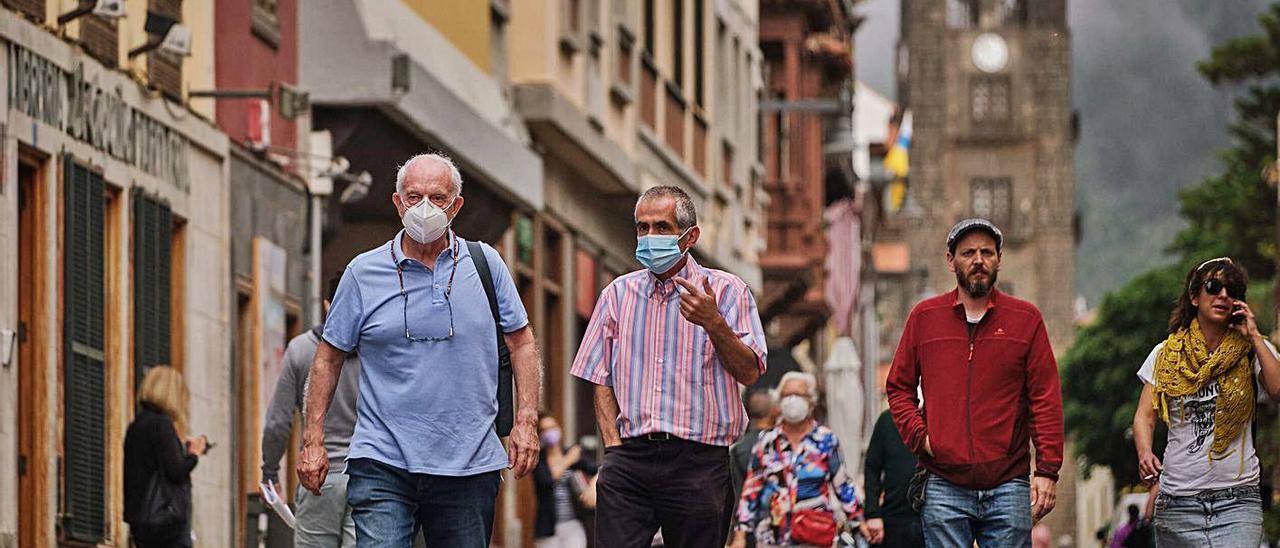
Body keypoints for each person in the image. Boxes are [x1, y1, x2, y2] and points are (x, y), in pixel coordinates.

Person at [298, 153, 543, 547]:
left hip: (469, 464)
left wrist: (526, 421)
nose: (424, 207)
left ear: (456, 206)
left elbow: (522, 342)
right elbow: (329, 355)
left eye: (438, 197)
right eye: (413, 197)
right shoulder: (363, 272)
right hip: (382, 461)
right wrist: (313, 440)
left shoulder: (487, 265)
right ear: (397, 204)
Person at [570, 185, 768, 548]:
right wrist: (613, 451)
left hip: (698, 463)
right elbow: (599, 377)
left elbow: (750, 371)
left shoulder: (728, 292)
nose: (649, 237)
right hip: (630, 458)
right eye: (642, 228)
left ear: (689, 236)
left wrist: (714, 323)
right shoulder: (616, 294)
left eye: (661, 228)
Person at [885, 218, 1064, 547]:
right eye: (968, 253)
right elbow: (898, 387)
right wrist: (922, 437)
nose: (978, 260)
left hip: (1008, 481)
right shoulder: (925, 318)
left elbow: (1045, 398)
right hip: (943, 481)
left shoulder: (1026, 319)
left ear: (999, 259)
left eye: (987, 252)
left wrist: (1047, 470)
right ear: (951, 260)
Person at [1131, 257, 1280, 547]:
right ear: (1194, 296)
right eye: (1214, 287)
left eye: (1232, 289)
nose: (1223, 295)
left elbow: (1277, 390)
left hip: (1238, 500)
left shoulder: (1252, 351)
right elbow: (1144, 416)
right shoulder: (1166, 354)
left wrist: (1255, 335)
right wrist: (1144, 452)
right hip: (1178, 504)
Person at [260, 277, 361, 547]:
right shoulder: (375, 352)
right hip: (366, 477)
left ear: (327, 305)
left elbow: (277, 423)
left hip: (317, 478)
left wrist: (269, 472)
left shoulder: (302, 349)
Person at [731, 372, 862, 547]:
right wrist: (740, 535)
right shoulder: (766, 441)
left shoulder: (826, 440)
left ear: (811, 401)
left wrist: (859, 522)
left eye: (799, 395)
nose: (793, 400)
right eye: (787, 395)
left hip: (815, 535)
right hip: (772, 537)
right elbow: (751, 490)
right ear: (778, 401)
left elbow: (843, 486)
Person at [124, 366, 207, 548]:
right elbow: (175, 470)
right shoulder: (162, 424)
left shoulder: (136, 426)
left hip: (140, 522)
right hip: (166, 522)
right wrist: (193, 454)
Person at [534, 413, 599, 548]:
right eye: (545, 429)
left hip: (573, 523)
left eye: (552, 427)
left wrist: (591, 489)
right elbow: (546, 481)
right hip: (547, 528)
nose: (550, 432)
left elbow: (598, 470)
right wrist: (568, 460)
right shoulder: (538, 459)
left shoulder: (572, 453)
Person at [862, 408, 923, 547]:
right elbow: (872, 467)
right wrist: (872, 514)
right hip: (894, 519)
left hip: (935, 518)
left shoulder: (942, 420)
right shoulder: (888, 419)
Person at [729, 389, 778, 548]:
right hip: (779, 524)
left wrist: (737, 534)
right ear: (773, 412)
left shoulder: (738, 449)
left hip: (747, 527)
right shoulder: (779, 446)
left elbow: (736, 493)